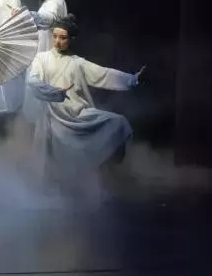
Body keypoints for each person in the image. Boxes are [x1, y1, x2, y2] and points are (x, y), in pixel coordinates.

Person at [26, 14, 143, 186]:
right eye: (55, 36)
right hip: (52, 116)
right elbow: (33, 81)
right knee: (47, 162)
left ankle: (111, 173)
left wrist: (131, 79)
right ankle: (50, 185)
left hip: (76, 114)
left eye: (63, 38)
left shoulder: (77, 63)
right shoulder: (41, 59)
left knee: (119, 122)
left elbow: (103, 74)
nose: (57, 41)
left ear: (71, 39)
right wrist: (54, 92)